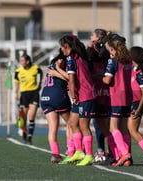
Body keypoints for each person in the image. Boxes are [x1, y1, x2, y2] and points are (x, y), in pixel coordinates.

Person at [56, 35, 96, 166]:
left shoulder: (71, 59)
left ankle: (89, 155)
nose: (61, 50)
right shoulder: (80, 57)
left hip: (85, 95)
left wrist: (73, 95)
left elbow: (71, 79)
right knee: (73, 123)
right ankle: (79, 151)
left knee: (84, 125)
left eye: (62, 47)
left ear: (66, 46)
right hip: (81, 95)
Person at [102, 33, 133, 166]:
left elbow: (107, 80)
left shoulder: (113, 61)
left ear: (112, 48)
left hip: (116, 98)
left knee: (113, 127)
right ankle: (127, 158)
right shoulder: (128, 60)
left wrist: (98, 77)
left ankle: (124, 153)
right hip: (128, 97)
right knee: (124, 128)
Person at [40, 49, 73, 164]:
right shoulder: (64, 65)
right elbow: (70, 79)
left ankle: (55, 154)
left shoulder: (51, 65)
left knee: (53, 127)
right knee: (71, 123)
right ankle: (70, 150)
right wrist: (59, 72)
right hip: (57, 96)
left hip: (45, 97)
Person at [86, 28, 111, 163]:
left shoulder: (104, 53)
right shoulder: (93, 53)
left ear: (98, 39)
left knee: (101, 122)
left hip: (101, 92)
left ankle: (103, 150)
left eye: (93, 36)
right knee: (100, 122)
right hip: (99, 91)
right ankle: (105, 150)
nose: (90, 38)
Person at [14, 53, 43, 144]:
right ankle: (24, 136)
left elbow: (41, 73)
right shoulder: (18, 71)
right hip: (24, 94)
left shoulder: (35, 68)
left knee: (31, 116)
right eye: (20, 60)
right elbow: (17, 83)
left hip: (34, 93)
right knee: (23, 117)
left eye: (23, 60)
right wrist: (16, 93)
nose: (21, 62)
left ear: (28, 61)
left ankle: (30, 137)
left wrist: (40, 84)